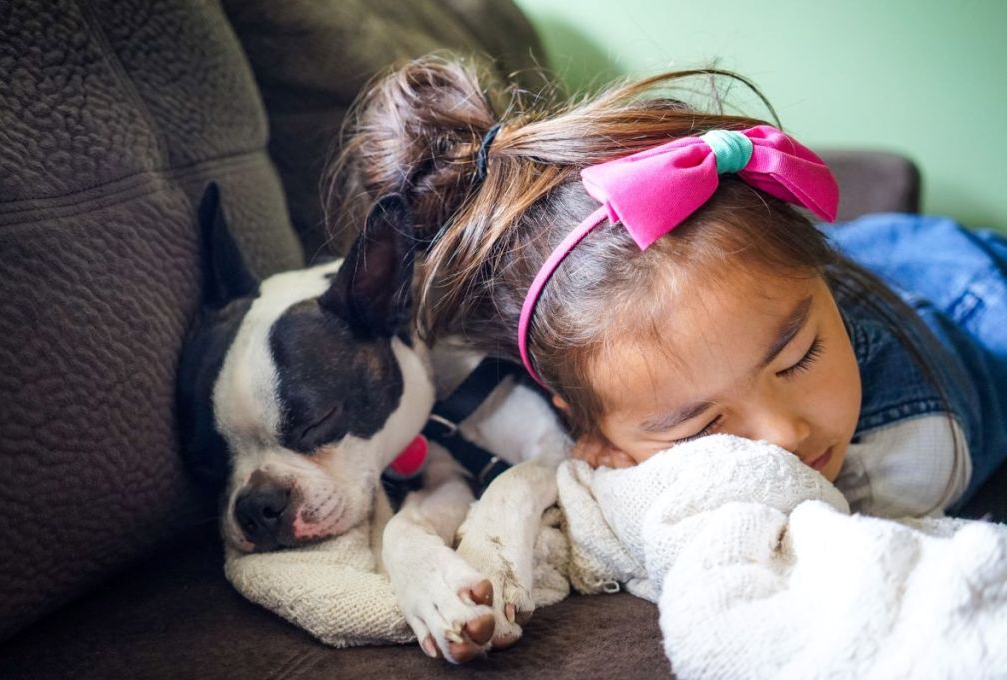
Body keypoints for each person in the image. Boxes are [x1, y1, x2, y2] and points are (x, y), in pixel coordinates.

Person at [330, 55, 1007, 518]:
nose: (784, 433)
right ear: (588, 429)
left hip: (967, 287)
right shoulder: (590, 357)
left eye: (799, 356)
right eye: (700, 426)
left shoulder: (917, 453)